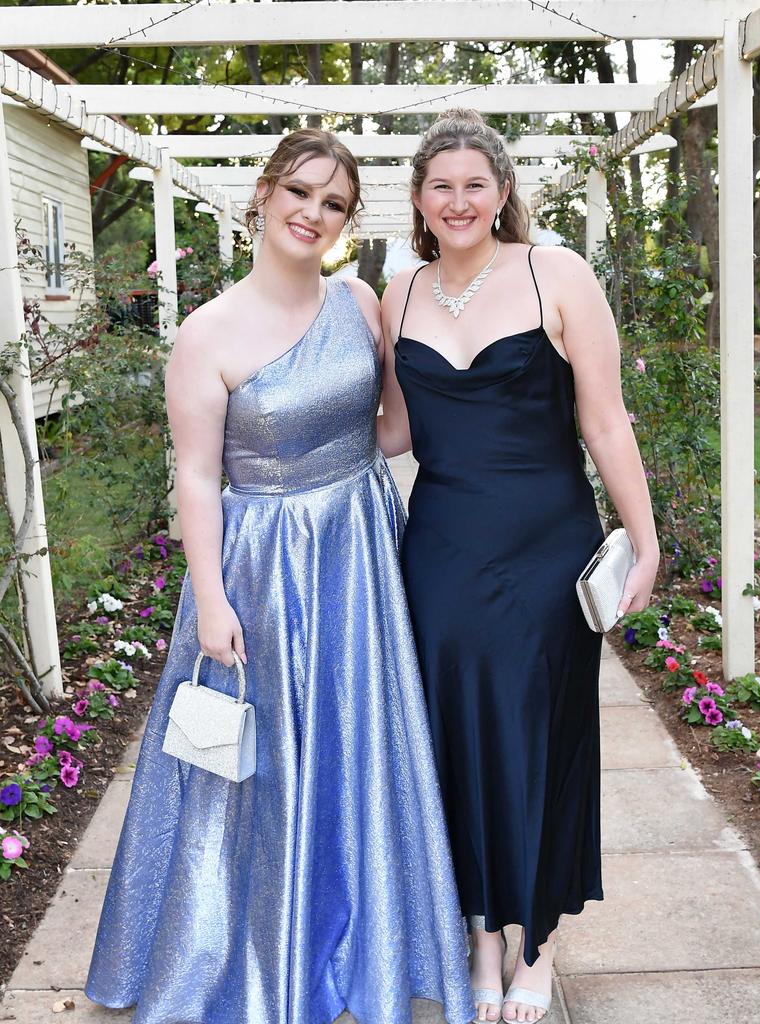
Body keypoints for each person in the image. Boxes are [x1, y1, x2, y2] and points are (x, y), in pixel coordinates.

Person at [85, 129, 474, 1024]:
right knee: (251, 764)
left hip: (360, 549)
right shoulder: (206, 333)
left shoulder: (361, 302)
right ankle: (253, 953)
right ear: (262, 196)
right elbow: (194, 474)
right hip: (259, 565)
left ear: (347, 221)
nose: (312, 213)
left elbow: (389, 430)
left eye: (333, 202)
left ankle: (369, 936)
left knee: (360, 743)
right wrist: (212, 599)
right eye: (299, 192)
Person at [378, 110, 659, 1024]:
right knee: (455, 736)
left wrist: (645, 537)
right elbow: (393, 431)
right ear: (419, 199)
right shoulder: (399, 294)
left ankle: (536, 940)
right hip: (444, 549)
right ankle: (482, 937)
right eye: (440, 185)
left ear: (502, 193)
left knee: (539, 733)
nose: (458, 201)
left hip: (546, 543)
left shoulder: (557, 272)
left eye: (475, 183)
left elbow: (605, 419)